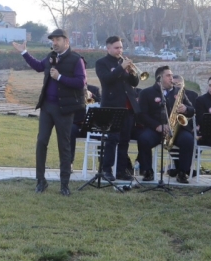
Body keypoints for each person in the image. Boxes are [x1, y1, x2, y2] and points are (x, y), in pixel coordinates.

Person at [13, 28, 86, 196]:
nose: (54, 43)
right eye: (53, 40)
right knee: (41, 142)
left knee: (64, 146)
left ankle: (64, 185)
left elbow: (80, 83)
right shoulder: (51, 57)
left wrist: (60, 77)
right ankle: (41, 181)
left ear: (66, 42)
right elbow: (39, 66)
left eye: (58, 40)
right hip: (47, 107)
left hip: (65, 110)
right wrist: (24, 52)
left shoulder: (76, 60)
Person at [136, 66, 195, 183]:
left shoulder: (178, 91)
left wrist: (186, 108)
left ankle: (183, 172)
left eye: (172, 75)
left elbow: (192, 109)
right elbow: (142, 115)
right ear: (159, 78)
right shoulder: (146, 93)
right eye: (168, 76)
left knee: (188, 140)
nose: (171, 78)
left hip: (176, 129)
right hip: (155, 129)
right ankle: (147, 171)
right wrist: (157, 126)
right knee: (143, 139)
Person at [95, 36, 141, 181]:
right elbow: (107, 79)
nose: (119, 50)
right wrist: (121, 68)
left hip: (128, 107)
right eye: (116, 48)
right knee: (112, 139)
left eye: (121, 47)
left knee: (124, 140)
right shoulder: (101, 63)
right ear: (108, 48)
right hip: (112, 106)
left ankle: (121, 171)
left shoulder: (123, 63)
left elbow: (134, 82)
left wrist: (132, 73)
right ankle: (107, 170)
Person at [68, 82, 101, 159]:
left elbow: (101, 104)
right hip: (78, 125)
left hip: (92, 126)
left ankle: (102, 164)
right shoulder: (72, 91)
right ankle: (69, 162)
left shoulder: (94, 89)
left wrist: (92, 96)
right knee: (71, 130)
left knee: (102, 133)